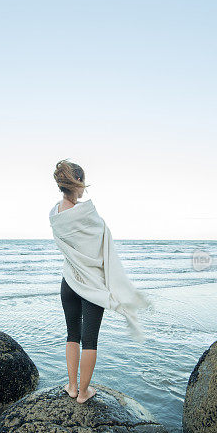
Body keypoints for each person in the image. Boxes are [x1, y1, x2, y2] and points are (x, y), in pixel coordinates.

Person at [49, 159, 152, 404]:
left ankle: (72, 387)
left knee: (72, 334)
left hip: (69, 282)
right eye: (83, 183)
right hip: (91, 286)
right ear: (79, 182)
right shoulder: (88, 214)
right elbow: (101, 249)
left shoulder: (54, 215)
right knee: (90, 339)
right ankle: (84, 393)